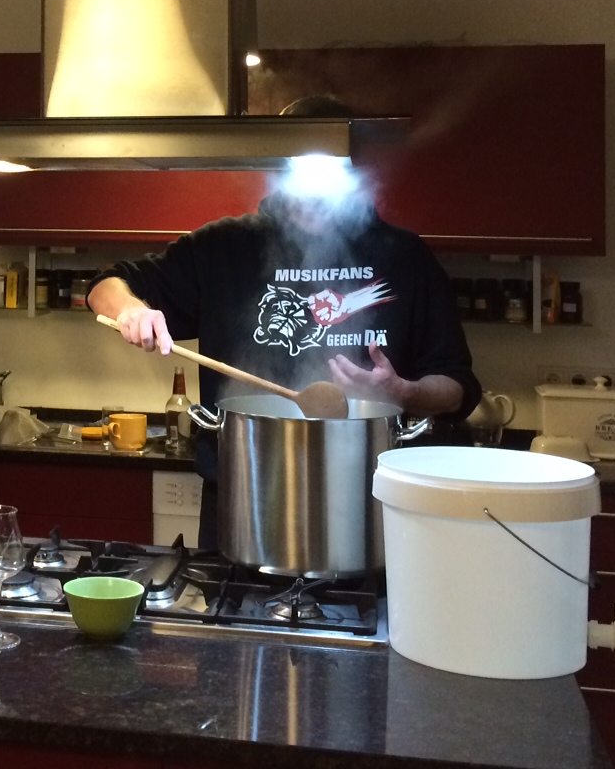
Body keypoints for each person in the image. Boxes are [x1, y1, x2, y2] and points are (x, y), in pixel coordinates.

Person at [87, 99, 479, 545]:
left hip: (371, 511)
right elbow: (105, 286)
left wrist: (404, 392)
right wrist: (131, 310)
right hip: (244, 504)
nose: (314, 197)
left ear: (355, 174)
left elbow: (458, 387)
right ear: (277, 170)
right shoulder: (224, 248)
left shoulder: (404, 257)